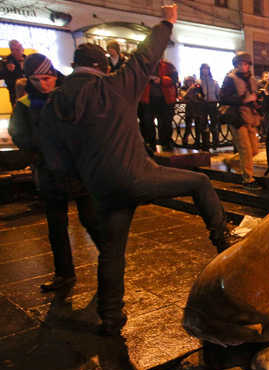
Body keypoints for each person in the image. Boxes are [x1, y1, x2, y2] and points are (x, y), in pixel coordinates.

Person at [39, 4, 231, 336]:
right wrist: (167, 23)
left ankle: (111, 316)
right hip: (136, 175)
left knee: (111, 252)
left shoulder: (56, 102)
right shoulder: (114, 86)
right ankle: (224, 242)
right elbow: (146, 56)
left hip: (100, 186)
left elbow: (54, 155)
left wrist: (79, 178)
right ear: (101, 66)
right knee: (200, 182)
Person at [9, 54, 102, 293]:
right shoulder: (26, 104)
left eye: (47, 78)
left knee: (90, 218)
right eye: (37, 79)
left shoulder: (66, 97)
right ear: (29, 80)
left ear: (54, 76)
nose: (43, 84)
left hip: (77, 170)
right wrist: (44, 151)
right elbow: (20, 136)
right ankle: (64, 274)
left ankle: (111, 259)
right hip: (50, 171)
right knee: (56, 226)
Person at [219, 51, 263, 190]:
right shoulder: (230, 79)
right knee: (245, 149)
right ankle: (248, 179)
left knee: (254, 150)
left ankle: (230, 161)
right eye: (241, 64)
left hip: (250, 116)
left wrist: (258, 100)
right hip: (237, 117)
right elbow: (223, 98)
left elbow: (254, 96)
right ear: (236, 65)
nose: (244, 67)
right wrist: (243, 99)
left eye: (246, 64)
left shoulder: (251, 79)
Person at [140, 58, 178, 151]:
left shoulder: (168, 66)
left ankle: (165, 143)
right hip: (148, 99)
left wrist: (160, 80)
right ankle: (151, 143)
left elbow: (174, 79)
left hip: (165, 100)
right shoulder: (143, 65)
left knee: (165, 123)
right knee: (147, 123)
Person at [198, 63, 221, 149]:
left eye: (207, 69)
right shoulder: (199, 81)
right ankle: (205, 144)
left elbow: (218, 92)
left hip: (212, 103)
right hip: (203, 104)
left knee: (214, 123)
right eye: (203, 69)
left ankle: (215, 142)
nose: (205, 70)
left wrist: (219, 100)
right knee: (203, 123)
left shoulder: (213, 81)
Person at [180, 75, 204, 147]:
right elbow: (183, 97)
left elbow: (201, 96)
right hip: (189, 109)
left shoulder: (197, 88)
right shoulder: (183, 88)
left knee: (198, 126)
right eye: (188, 81)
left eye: (191, 81)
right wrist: (190, 89)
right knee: (188, 126)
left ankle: (197, 141)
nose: (190, 82)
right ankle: (185, 141)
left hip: (197, 108)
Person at [1, 40, 26, 106]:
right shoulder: (6, 61)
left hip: (30, 91)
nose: (18, 51)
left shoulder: (29, 59)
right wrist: (7, 70)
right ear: (11, 50)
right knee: (18, 111)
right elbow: (1, 75)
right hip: (14, 93)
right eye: (14, 49)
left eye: (19, 48)